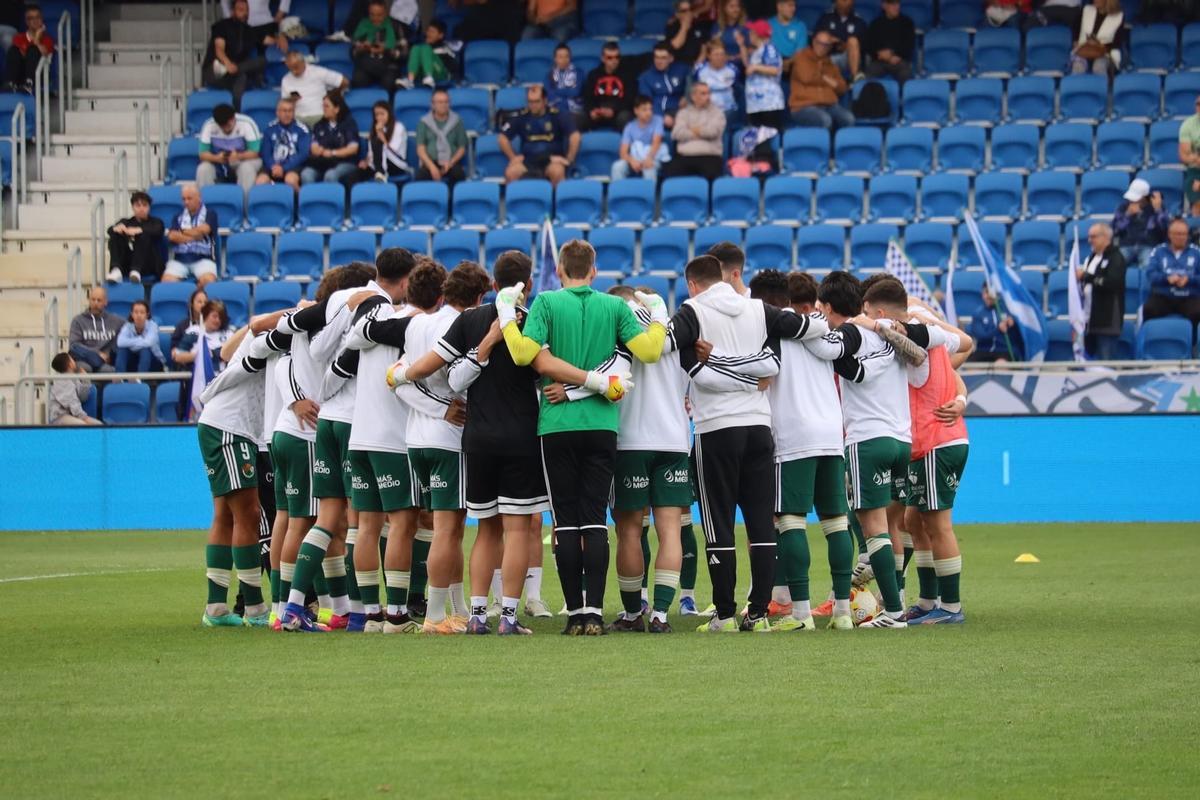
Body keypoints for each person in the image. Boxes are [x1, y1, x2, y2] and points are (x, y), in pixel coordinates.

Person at [494, 239, 670, 635]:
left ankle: (575, 613)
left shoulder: (546, 304)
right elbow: (650, 351)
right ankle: (593, 611)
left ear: (559, 270)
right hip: (603, 424)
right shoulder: (615, 306)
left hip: (556, 426)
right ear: (594, 271)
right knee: (594, 519)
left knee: (566, 522)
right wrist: (658, 315)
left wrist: (507, 315)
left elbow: (523, 355)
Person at [668, 255, 835, 632]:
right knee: (761, 521)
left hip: (715, 429)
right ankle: (758, 613)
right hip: (760, 428)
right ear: (726, 277)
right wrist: (748, 375)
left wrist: (721, 364)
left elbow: (694, 370)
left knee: (718, 524)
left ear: (693, 283)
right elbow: (810, 329)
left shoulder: (691, 311)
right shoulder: (759, 309)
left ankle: (725, 614)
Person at [390, 251, 550, 635]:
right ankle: (508, 617)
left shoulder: (468, 320)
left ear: (493, 285)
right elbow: (543, 378)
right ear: (527, 286)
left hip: (477, 438)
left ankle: (477, 614)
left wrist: (400, 375)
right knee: (515, 530)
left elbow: (454, 377)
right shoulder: (535, 320)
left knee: (486, 529)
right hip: (520, 436)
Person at [385, 261, 492, 634]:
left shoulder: (415, 323)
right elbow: (456, 379)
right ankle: (434, 616)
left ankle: (457, 607)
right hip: (448, 440)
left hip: (416, 438)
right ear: (480, 297)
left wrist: (432, 408)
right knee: (448, 529)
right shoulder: (459, 326)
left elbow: (400, 379)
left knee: (452, 527)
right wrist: (445, 409)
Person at [744, 270, 854, 631]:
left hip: (793, 435)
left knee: (790, 521)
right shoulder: (821, 330)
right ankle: (842, 611)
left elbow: (761, 380)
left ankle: (802, 613)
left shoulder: (769, 330)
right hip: (830, 432)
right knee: (836, 522)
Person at [901, 302, 973, 625]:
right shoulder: (937, 342)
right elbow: (964, 348)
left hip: (936, 441)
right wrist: (961, 398)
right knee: (913, 521)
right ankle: (928, 600)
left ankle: (951, 606)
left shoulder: (916, 342)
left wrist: (921, 317)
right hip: (932, 442)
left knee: (937, 523)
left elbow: (966, 345)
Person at [499, 84, 580, 186]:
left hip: (552, 160)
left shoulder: (558, 115)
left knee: (557, 171)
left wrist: (569, 159)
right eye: (530, 102)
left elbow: (575, 136)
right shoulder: (522, 116)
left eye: (536, 101)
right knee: (511, 173)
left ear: (545, 101)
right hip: (528, 160)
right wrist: (513, 157)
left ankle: (555, 201)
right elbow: (502, 138)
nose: (533, 105)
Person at [202, 0, 269, 107]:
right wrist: (227, 64)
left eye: (247, 10)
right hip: (215, 71)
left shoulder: (249, 31)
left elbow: (267, 40)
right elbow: (219, 49)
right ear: (233, 11)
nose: (245, 14)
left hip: (234, 73)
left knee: (257, 64)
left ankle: (236, 112)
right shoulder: (222, 25)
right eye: (241, 10)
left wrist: (280, 38)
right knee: (241, 74)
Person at [1077, 222, 1126, 360]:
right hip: (1089, 320)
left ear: (1105, 237)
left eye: (1093, 237)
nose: (1089, 240)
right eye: (1089, 237)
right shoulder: (1091, 258)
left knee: (1106, 361)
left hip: (1107, 320)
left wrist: (1087, 276)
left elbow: (1112, 282)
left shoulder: (1116, 258)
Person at [789, 31, 854, 131]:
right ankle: (823, 146)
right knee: (825, 120)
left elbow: (842, 88)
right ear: (814, 42)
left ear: (829, 47)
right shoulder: (801, 57)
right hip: (803, 106)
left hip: (829, 105)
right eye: (820, 43)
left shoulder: (830, 64)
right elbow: (807, 78)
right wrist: (829, 80)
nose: (822, 47)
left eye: (826, 45)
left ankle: (838, 146)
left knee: (849, 119)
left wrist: (822, 77)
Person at [662, 81, 726, 182]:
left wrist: (691, 129)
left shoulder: (717, 113)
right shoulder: (683, 113)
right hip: (685, 156)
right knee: (669, 172)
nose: (708, 96)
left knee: (713, 173)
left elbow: (712, 132)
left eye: (708, 93)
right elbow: (677, 133)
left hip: (710, 156)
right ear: (693, 96)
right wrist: (701, 131)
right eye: (703, 93)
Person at [196, 103, 262, 199]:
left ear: (233, 118)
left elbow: (255, 152)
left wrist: (239, 156)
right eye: (223, 127)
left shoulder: (247, 123)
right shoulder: (208, 125)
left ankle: (244, 207)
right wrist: (216, 158)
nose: (226, 129)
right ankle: (206, 206)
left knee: (246, 169)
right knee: (203, 169)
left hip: (244, 159)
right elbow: (202, 154)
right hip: (218, 161)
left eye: (228, 125)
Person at [1144, 218, 1200, 325]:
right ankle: (1153, 339)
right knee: (1149, 309)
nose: (1181, 237)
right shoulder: (1158, 251)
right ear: (1170, 234)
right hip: (1163, 295)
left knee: (1197, 312)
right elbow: (1150, 274)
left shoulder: (1196, 252)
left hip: (1189, 296)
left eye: (1184, 234)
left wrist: (1189, 279)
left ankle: (1193, 341)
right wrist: (1167, 278)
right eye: (1178, 234)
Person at [302, 89, 361, 186]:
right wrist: (317, 150)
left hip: (345, 162)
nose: (324, 109)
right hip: (322, 162)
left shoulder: (349, 124)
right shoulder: (319, 125)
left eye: (327, 106)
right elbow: (314, 146)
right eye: (323, 106)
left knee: (330, 175)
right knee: (306, 174)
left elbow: (353, 149)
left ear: (337, 109)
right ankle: (313, 200)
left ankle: (329, 200)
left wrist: (332, 153)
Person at [164, 184, 219, 286]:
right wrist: (194, 236)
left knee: (208, 281)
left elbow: (205, 229)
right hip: (180, 260)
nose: (186, 202)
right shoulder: (178, 216)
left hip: (203, 259)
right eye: (183, 199)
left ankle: (195, 299)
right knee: (167, 282)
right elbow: (172, 236)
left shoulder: (210, 214)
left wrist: (182, 232)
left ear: (199, 197)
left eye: (189, 198)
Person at [106, 191, 165, 284]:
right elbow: (109, 230)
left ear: (149, 207)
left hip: (148, 264)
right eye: (138, 205)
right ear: (132, 207)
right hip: (128, 263)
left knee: (144, 235)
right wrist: (116, 229)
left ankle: (136, 270)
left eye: (145, 205)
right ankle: (116, 269)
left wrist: (139, 230)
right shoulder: (126, 221)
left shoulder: (156, 222)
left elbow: (158, 230)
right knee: (115, 235)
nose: (141, 208)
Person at [280, 50, 349, 128]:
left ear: (303, 62)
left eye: (296, 67)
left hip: (319, 115)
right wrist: (292, 100)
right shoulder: (286, 79)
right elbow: (284, 102)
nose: (294, 71)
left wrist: (332, 95)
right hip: (298, 117)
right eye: (290, 69)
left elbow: (344, 81)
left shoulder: (318, 72)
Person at [1111, 178, 1169, 267]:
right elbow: (1115, 230)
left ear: (1145, 197)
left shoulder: (1156, 208)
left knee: (1148, 265)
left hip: (1148, 245)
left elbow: (1164, 229)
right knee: (1115, 265)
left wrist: (1157, 209)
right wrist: (1127, 215)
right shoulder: (1123, 207)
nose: (1132, 201)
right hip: (1127, 245)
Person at [741, 20, 785, 135]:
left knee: (769, 138)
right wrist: (741, 46)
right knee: (757, 139)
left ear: (758, 34)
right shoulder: (758, 50)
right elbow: (748, 66)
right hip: (756, 104)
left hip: (768, 103)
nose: (749, 34)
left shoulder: (769, 49)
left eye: (751, 32)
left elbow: (775, 70)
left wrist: (756, 67)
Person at [256, 96, 310, 191]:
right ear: (277, 112)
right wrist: (273, 167)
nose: (287, 114)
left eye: (290, 111)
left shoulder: (302, 129)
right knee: (260, 182)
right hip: (272, 166)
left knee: (290, 181)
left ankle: (299, 203)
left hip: (293, 166)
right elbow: (265, 153)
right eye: (284, 111)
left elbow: (303, 154)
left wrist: (284, 168)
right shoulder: (270, 128)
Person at [414, 89, 467, 185]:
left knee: (459, 175)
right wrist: (431, 166)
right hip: (430, 162)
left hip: (451, 162)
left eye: (446, 102)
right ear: (433, 105)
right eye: (440, 102)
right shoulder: (424, 122)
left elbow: (462, 148)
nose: (444, 105)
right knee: (420, 176)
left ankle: (452, 199)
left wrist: (450, 163)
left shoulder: (457, 121)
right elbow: (420, 149)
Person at [351, 100, 411, 184]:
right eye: (376, 115)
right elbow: (373, 152)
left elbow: (394, 150)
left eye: (382, 114)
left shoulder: (399, 127)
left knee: (377, 141)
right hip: (377, 164)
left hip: (396, 164)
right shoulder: (374, 128)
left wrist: (381, 135)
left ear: (389, 113)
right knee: (355, 175)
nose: (379, 117)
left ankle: (380, 173)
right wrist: (366, 161)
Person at [611, 96, 668, 182]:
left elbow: (656, 143)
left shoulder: (658, 120)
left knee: (649, 168)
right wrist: (632, 161)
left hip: (653, 157)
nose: (649, 113)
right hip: (635, 158)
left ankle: (648, 195)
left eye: (650, 109)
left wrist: (649, 159)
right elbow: (623, 152)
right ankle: (619, 193)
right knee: (617, 166)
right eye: (644, 110)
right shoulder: (629, 127)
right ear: (636, 111)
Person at [583, 42, 636, 132]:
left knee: (625, 116)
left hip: (618, 113)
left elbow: (630, 99)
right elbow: (587, 97)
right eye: (610, 58)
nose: (614, 61)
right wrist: (592, 110)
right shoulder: (593, 75)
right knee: (578, 117)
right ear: (603, 58)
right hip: (598, 114)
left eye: (617, 57)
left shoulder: (627, 75)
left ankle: (626, 144)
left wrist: (613, 111)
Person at [351, 0, 404, 89]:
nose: (375, 18)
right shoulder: (363, 25)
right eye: (372, 14)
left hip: (388, 65)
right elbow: (353, 51)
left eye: (379, 15)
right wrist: (363, 48)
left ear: (386, 13)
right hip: (367, 64)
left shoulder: (395, 26)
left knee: (389, 83)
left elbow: (404, 53)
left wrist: (387, 50)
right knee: (357, 80)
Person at [68, 287, 123, 374]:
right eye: (93, 299)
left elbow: (132, 326)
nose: (95, 303)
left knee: (109, 371)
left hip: (103, 362)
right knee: (86, 368)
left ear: (105, 302)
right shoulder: (78, 320)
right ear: (89, 300)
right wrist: (96, 353)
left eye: (99, 300)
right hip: (83, 359)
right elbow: (74, 345)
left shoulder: (115, 320)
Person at [863, 0, 915, 84]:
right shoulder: (875, 24)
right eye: (892, 4)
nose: (896, 7)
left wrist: (891, 54)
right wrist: (879, 54)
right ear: (884, 5)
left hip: (899, 60)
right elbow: (868, 45)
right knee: (868, 74)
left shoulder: (907, 23)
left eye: (897, 3)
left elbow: (909, 45)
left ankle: (904, 96)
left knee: (905, 74)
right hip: (879, 61)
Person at [967, 286, 1024, 362]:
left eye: (993, 292)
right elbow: (980, 335)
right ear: (982, 294)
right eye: (987, 292)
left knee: (1001, 365)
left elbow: (1019, 337)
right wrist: (998, 329)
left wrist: (1014, 325)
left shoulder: (1008, 311)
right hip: (983, 351)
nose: (990, 296)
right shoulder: (978, 313)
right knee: (970, 368)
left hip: (1003, 351)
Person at [5, 4, 52, 94]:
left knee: (33, 50)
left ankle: (29, 84)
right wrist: (35, 43)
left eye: (37, 17)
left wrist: (37, 40)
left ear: (41, 20)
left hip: (38, 75)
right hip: (21, 72)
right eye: (31, 18)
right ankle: (10, 83)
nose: (35, 21)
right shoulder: (18, 38)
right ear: (26, 22)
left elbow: (45, 53)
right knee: (13, 50)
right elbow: (19, 54)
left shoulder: (48, 39)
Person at [638, 43, 687, 128]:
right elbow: (646, 102)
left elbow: (694, 85)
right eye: (656, 57)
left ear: (671, 58)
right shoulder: (646, 77)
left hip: (679, 110)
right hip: (656, 113)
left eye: (663, 58)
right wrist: (662, 117)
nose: (659, 61)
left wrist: (686, 96)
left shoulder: (682, 69)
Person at [1069, 0, 1124, 75]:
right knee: (1078, 66)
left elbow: (1117, 43)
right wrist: (1075, 42)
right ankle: (1076, 86)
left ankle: (1102, 86)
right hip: (1083, 49)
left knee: (1099, 65)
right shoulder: (1086, 10)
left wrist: (1099, 45)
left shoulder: (1119, 16)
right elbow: (1076, 29)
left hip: (1106, 52)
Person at [815, 0, 866, 79]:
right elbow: (816, 39)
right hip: (830, 56)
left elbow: (864, 47)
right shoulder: (826, 18)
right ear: (835, 2)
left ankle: (855, 78)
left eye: (849, 1)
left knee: (852, 41)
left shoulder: (859, 21)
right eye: (844, 1)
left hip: (850, 59)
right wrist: (830, 41)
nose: (847, 3)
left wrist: (846, 46)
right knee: (823, 39)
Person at [48, 353, 102, 426]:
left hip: (72, 416)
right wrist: (84, 417)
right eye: (72, 359)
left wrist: (85, 379)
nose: (74, 362)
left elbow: (83, 397)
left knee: (99, 425)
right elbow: (72, 404)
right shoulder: (62, 381)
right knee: (83, 426)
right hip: (59, 417)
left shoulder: (73, 378)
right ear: (70, 364)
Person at [115, 300, 167, 374]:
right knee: (122, 349)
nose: (139, 315)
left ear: (147, 315)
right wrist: (140, 340)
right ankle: (119, 377)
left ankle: (140, 379)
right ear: (132, 314)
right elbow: (120, 342)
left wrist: (130, 343)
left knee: (145, 349)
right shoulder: (127, 326)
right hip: (134, 362)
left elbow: (149, 343)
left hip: (154, 362)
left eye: (142, 312)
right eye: (136, 312)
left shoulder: (153, 326)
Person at [693, 39, 740, 121]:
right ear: (709, 56)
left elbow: (737, 88)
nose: (720, 57)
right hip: (706, 111)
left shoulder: (733, 70)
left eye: (722, 54)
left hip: (728, 111)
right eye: (716, 54)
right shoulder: (700, 70)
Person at [405, 18, 458, 88]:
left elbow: (453, 68)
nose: (428, 34)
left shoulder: (445, 49)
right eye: (428, 30)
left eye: (432, 32)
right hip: (422, 75)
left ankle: (429, 77)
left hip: (441, 75)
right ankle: (410, 81)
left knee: (426, 48)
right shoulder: (421, 47)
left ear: (440, 35)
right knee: (416, 47)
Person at [545, 43, 585, 129]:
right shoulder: (550, 75)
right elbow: (549, 94)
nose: (564, 60)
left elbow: (575, 92)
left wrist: (557, 90)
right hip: (555, 110)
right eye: (560, 57)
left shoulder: (579, 72)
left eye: (566, 56)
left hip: (574, 112)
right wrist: (566, 92)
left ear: (570, 58)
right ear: (555, 59)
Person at [220, 0, 289, 47]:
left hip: (265, 25)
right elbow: (224, 1)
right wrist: (230, 18)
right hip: (243, 28)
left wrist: (280, 13)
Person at [664, 0, 709, 67]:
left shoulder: (700, 25)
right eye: (684, 11)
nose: (688, 13)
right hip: (677, 63)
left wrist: (696, 66)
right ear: (677, 14)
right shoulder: (672, 26)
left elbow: (703, 51)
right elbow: (676, 45)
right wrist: (684, 27)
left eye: (690, 10)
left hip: (696, 64)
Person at [771, 0, 808, 70]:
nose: (794, 9)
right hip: (772, 62)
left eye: (794, 6)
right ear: (779, 7)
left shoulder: (800, 26)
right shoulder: (769, 24)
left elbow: (800, 51)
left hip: (792, 62)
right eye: (790, 5)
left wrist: (788, 62)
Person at [1181, 95, 1200, 217]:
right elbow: (1184, 156)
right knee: (1197, 199)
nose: (1199, 107)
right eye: (1198, 104)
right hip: (1195, 170)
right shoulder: (1188, 125)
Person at [713, 0, 749, 65]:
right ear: (724, 8)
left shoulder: (747, 25)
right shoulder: (717, 27)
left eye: (738, 6)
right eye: (732, 6)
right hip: (722, 65)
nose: (736, 9)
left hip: (743, 65)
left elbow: (755, 48)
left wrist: (735, 57)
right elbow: (712, 48)